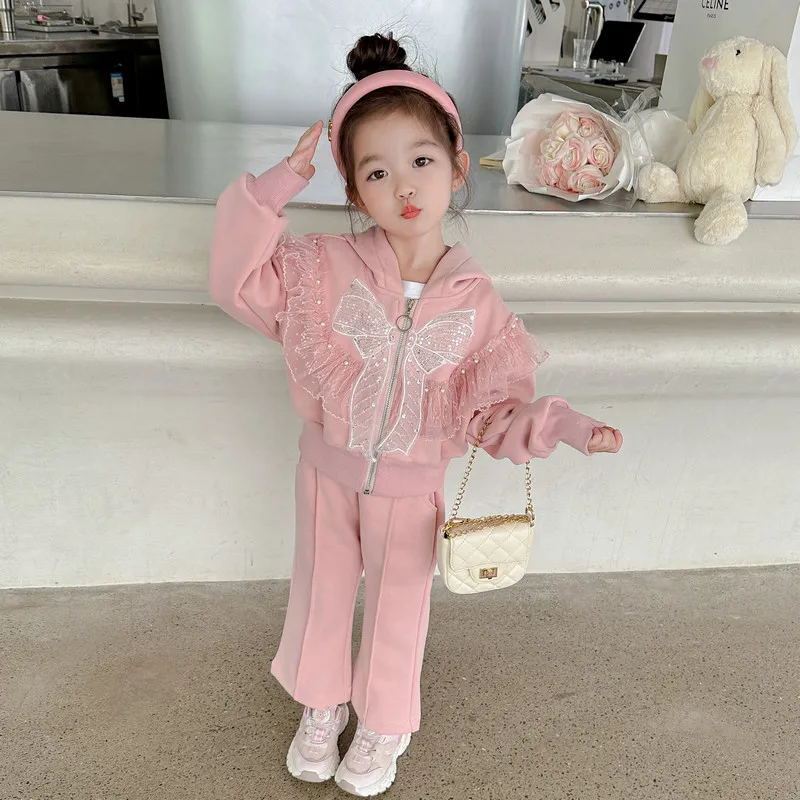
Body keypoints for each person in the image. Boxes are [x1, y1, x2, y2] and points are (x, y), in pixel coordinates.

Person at [209, 32, 622, 798]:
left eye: (422, 161)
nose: (403, 186)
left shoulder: (478, 302)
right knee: (320, 594)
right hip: (326, 475)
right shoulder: (320, 270)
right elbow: (234, 281)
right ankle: (321, 705)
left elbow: (495, 411)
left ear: (458, 167)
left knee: (400, 608)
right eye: (376, 171)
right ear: (354, 193)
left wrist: (559, 425)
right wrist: (278, 184)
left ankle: (384, 723)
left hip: (411, 489)